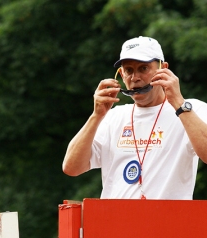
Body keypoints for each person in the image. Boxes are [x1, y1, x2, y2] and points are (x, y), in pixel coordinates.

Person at [62, 36, 207, 200]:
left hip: (167, 223)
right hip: (114, 223)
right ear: (121, 75)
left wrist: (179, 104)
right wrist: (96, 116)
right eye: (129, 70)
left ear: (164, 68)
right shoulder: (113, 117)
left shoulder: (191, 109)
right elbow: (71, 167)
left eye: (143, 68)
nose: (135, 77)